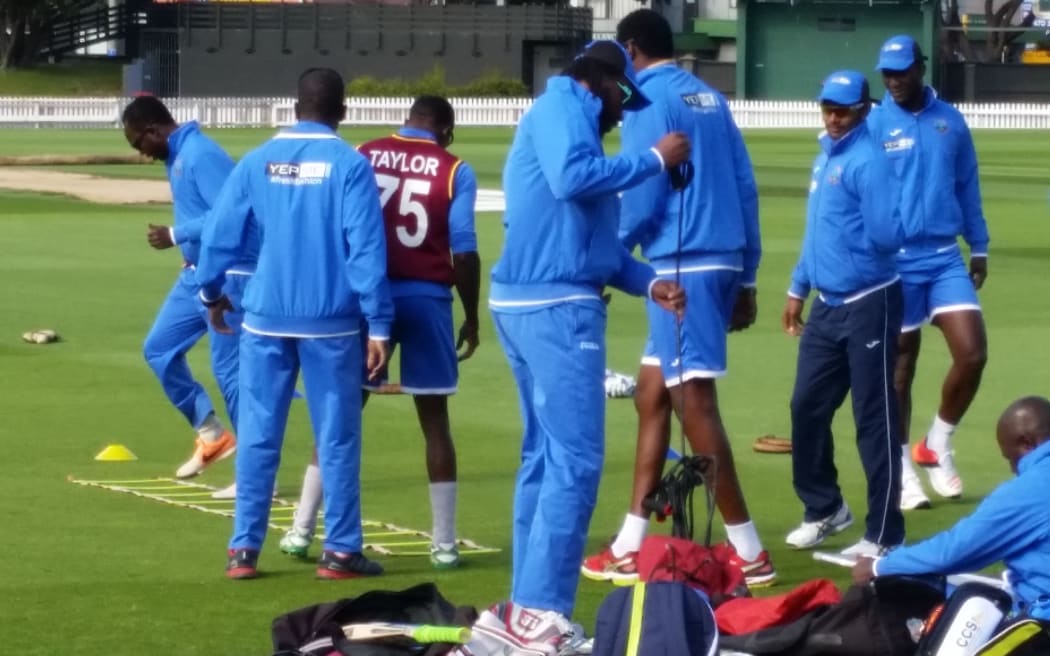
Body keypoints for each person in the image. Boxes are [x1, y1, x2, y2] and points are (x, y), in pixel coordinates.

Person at [470, 39, 690, 653]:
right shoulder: (565, 106)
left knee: (545, 458)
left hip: (531, 300)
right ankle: (542, 613)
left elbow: (594, 244)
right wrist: (655, 159)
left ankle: (525, 608)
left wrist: (648, 282)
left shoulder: (564, 116)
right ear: (601, 81)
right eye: (623, 95)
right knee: (575, 460)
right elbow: (572, 181)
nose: (624, 111)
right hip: (557, 307)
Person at [581, 9, 774, 589]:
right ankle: (629, 542)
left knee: (694, 403)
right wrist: (747, 276)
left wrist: (608, 258)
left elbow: (644, 193)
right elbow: (744, 184)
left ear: (631, 48)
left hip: (681, 262)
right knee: (652, 395)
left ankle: (749, 550)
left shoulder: (645, 100)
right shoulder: (709, 97)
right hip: (718, 258)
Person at [195, 67, 393, 580]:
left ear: (294, 106)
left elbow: (218, 234)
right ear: (342, 110)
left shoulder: (257, 160)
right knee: (337, 437)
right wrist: (379, 323)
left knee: (259, 434)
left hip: (264, 317)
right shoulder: (350, 165)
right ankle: (341, 551)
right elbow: (365, 249)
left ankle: (243, 550)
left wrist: (211, 292)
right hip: (331, 321)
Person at [278, 95, 481, 570]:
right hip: (428, 300)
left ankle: (301, 529)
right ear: (445, 131)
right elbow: (465, 252)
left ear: (407, 120)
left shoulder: (364, 153)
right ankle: (444, 544)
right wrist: (471, 316)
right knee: (435, 422)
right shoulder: (455, 168)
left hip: (368, 299)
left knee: (340, 414)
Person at [782, 70, 905, 558]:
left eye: (843, 111)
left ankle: (885, 533)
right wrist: (798, 285)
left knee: (873, 417)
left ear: (863, 110)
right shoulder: (827, 155)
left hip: (870, 300)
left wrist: (856, 255)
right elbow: (818, 232)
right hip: (827, 304)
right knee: (806, 407)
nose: (833, 118)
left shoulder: (868, 161)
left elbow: (886, 234)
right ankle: (825, 508)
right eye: (827, 108)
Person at [868, 35, 990, 511]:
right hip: (895, 260)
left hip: (943, 256)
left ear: (921, 67)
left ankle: (936, 442)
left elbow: (967, 185)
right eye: (887, 73)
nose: (893, 81)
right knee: (901, 365)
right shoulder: (874, 123)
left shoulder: (950, 121)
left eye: (901, 71)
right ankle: (902, 471)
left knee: (972, 353)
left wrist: (979, 245)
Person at [122, 96, 247, 483]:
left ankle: (257, 477)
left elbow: (231, 215)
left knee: (230, 375)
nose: (141, 153)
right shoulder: (176, 155)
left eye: (139, 143)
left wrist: (177, 234)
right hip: (193, 276)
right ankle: (212, 435)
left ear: (153, 130)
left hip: (224, 278)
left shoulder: (200, 154)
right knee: (158, 349)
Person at [854, 395, 1050, 631]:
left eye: (1012, 458)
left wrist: (879, 567)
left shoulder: (1030, 488)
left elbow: (953, 552)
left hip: (1041, 624)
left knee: (913, 584)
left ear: (1028, 443)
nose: (1013, 468)